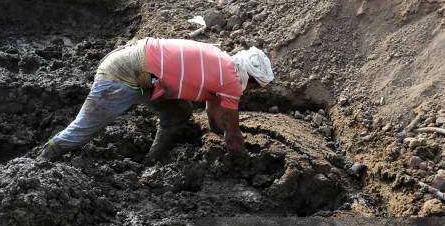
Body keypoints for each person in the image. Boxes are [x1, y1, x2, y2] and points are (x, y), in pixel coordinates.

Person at [39, 38, 274, 163]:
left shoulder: (222, 66)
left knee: (179, 111)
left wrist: (218, 132)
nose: (250, 90)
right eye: (254, 85)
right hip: (126, 72)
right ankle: (46, 156)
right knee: (84, 128)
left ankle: (152, 161)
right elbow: (232, 134)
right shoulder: (231, 81)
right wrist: (243, 160)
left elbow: (216, 118)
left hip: (142, 70)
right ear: (249, 77)